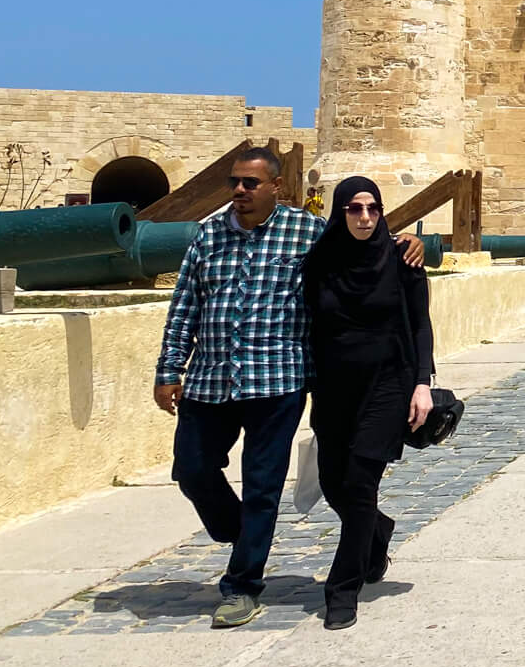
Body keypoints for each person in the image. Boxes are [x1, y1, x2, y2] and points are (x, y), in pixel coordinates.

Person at [152, 148, 423, 629]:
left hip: (277, 379)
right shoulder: (207, 235)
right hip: (211, 379)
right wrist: (169, 369)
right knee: (191, 471)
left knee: (264, 487)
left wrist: (413, 243)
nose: (239, 190)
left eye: (250, 183)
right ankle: (243, 534)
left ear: (275, 187)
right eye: (234, 182)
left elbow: (358, 239)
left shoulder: (306, 233)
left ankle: (241, 586)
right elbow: (184, 305)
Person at [302, 177, 434, 629]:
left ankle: (342, 590)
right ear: (339, 212)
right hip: (334, 389)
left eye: (373, 209)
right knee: (334, 485)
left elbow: (420, 325)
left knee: (359, 485)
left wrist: (422, 383)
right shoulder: (319, 261)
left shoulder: (403, 258)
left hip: (388, 385)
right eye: (354, 209)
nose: (364, 217)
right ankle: (376, 533)